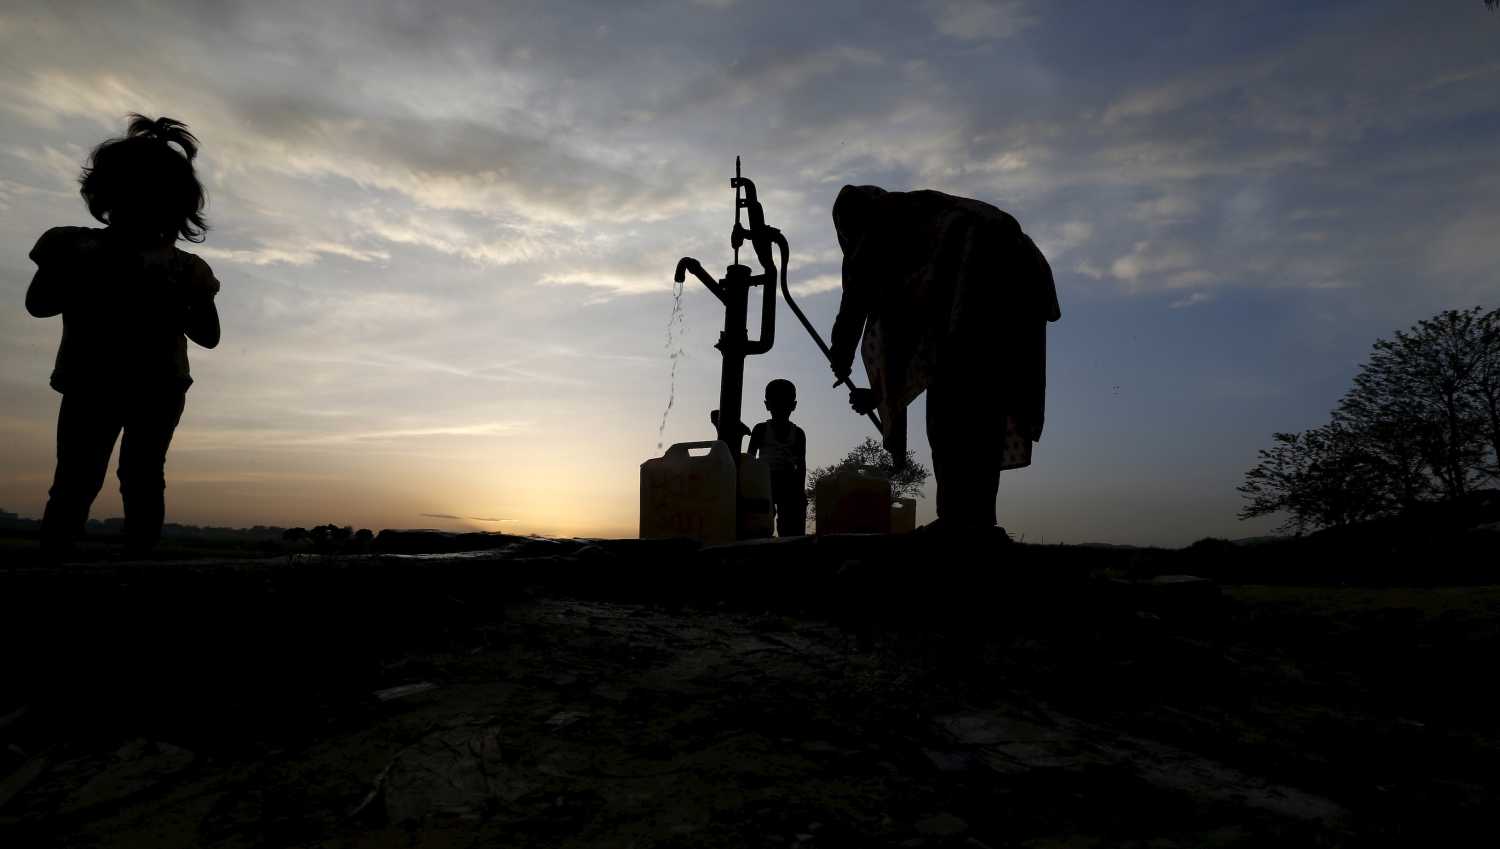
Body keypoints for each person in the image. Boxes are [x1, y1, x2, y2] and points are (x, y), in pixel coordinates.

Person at [25, 114, 222, 561]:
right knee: (82, 476)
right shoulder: (72, 247)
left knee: (137, 475)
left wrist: (176, 302)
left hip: (154, 386)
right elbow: (40, 303)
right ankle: (56, 562)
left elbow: (208, 335)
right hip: (94, 382)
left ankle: (135, 564)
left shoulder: (187, 270)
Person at [828, 185, 1060, 537]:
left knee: (951, 404)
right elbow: (912, 345)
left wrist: (841, 353)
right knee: (986, 401)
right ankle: (977, 521)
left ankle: (956, 520)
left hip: (977, 264)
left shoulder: (877, 223)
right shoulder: (919, 231)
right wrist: (878, 395)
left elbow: (859, 301)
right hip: (1023, 270)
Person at [746, 379, 808, 537]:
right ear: (768, 405)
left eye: (784, 404)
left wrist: (799, 494)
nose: (780, 409)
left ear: (793, 406)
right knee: (758, 525)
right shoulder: (760, 430)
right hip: (763, 481)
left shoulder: (798, 434)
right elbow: (749, 462)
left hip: (788, 481)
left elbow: (801, 467)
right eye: (776, 404)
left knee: (791, 525)